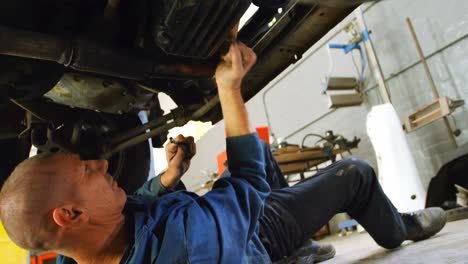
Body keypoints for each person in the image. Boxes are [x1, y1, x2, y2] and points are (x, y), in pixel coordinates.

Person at [0, 42, 446, 264]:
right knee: (354, 174)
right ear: (69, 215)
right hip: (253, 238)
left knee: (261, 155)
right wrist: (229, 88)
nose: (100, 163)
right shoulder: (190, 243)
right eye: (86, 171)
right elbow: (247, 187)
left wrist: (168, 177)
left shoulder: (75, 249)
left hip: (229, 230)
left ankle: (300, 246)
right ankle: (402, 229)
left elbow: (138, 205)